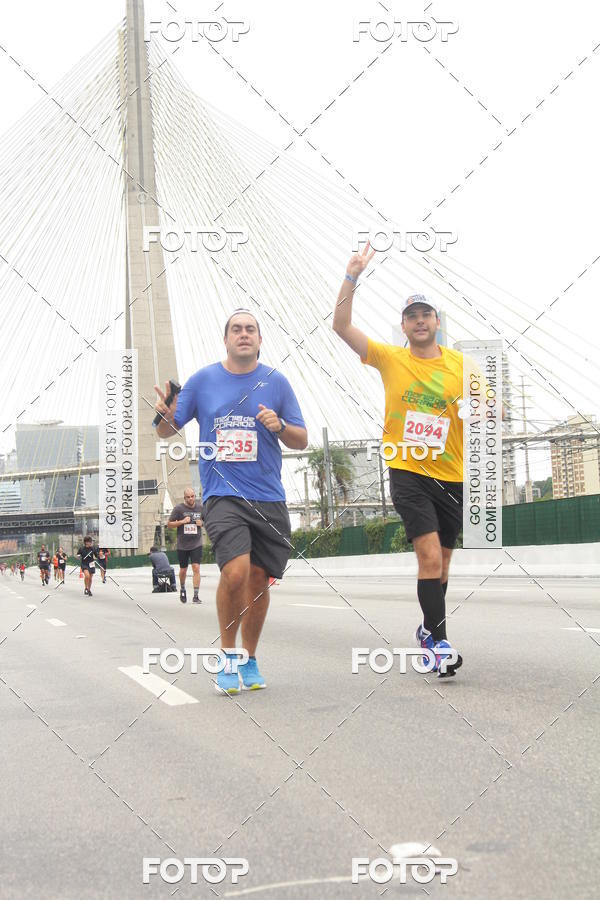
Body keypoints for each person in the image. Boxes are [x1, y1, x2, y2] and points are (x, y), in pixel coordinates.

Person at [154, 309, 308, 694]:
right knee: (236, 572)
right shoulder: (203, 381)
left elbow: (301, 439)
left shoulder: (277, 382)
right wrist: (162, 415)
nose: (243, 334)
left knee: (258, 581)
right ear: (225, 340)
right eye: (236, 329)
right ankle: (226, 655)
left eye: (250, 329)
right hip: (223, 495)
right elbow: (167, 431)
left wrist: (280, 426)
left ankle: (249, 658)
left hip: (268, 496)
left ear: (259, 340)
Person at [332, 245, 463, 677]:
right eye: (412, 316)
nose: (420, 321)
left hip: (453, 476)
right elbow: (341, 326)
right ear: (404, 326)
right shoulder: (390, 358)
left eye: (426, 314)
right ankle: (439, 644)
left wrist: (489, 411)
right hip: (408, 472)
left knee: (442, 564)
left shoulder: (464, 366)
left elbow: (491, 408)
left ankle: (428, 630)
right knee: (428, 558)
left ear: (436, 323)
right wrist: (351, 276)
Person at [167, 488, 203, 604]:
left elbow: (207, 521)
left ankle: (196, 596)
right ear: (184, 498)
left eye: (192, 496)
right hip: (182, 545)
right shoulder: (179, 509)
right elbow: (169, 524)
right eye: (188, 497)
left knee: (196, 568)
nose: (191, 499)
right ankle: (182, 588)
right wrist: (182, 522)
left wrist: (201, 523)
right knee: (183, 570)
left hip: (196, 543)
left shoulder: (200, 508)